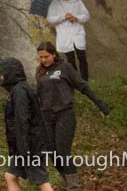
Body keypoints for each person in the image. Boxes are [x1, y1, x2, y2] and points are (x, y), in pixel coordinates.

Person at [36, 42, 110, 191]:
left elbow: (82, 86)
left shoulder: (65, 67)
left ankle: (74, 187)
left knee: (63, 152)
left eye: (46, 56)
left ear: (54, 54)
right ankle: (68, 180)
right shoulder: (40, 72)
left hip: (64, 114)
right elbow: (39, 96)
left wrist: (101, 105)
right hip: (46, 117)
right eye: (41, 57)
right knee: (52, 153)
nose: (43, 60)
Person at [0, 57, 53, 191]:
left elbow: (22, 121)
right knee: (10, 176)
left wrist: (24, 150)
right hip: (26, 145)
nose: (0, 77)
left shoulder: (20, 91)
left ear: (10, 73)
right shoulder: (18, 90)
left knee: (42, 181)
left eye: (2, 73)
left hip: (31, 146)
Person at [46, 0, 91, 80]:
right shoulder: (55, 3)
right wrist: (63, 17)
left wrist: (76, 18)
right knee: (70, 60)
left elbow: (86, 16)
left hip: (77, 32)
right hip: (64, 34)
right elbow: (50, 19)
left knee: (82, 57)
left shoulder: (77, 1)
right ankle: (75, 80)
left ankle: (85, 80)